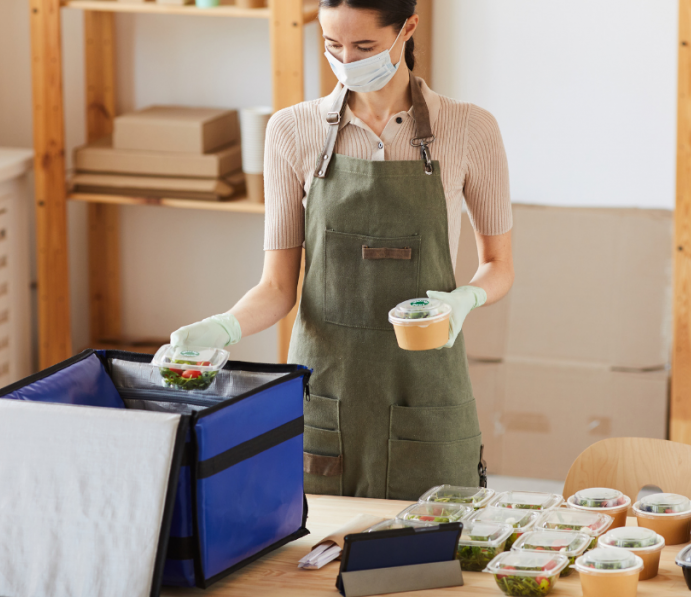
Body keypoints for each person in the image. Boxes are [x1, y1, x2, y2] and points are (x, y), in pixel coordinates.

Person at [171, 0, 513, 500]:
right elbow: (277, 286)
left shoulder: (469, 129)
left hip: (426, 385)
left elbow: (498, 267)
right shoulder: (292, 131)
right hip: (328, 390)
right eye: (334, 45)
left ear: (408, 29)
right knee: (309, 558)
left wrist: (465, 298)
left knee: (432, 554)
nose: (347, 60)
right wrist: (223, 328)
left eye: (365, 46)